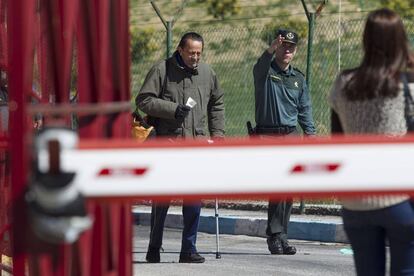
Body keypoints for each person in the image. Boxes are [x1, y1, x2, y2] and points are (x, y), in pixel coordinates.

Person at [329, 8, 414, 276]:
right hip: (401, 199)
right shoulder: (407, 85)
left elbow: (337, 141)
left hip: (355, 200)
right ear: (400, 41)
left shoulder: (343, 83)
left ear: (366, 39)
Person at [135, 32, 225, 263]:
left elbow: (217, 103)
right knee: (162, 199)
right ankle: (154, 247)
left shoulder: (207, 73)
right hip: (168, 144)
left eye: (199, 53)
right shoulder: (162, 70)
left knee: (194, 199)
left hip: (196, 145)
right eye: (191, 52)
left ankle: (188, 249)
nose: (195, 57)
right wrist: (172, 109)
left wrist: (218, 135)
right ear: (181, 50)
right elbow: (143, 100)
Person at [252, 29, 316, 255]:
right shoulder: (265, 72)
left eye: (291, 47)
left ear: (295, 50)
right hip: (268, 136)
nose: (287, 50)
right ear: (276, 47)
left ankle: (281, 235)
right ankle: (275, 235)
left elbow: (304, 109)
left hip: (290, 136)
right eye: (283, 45)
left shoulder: (298, 78)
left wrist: (310, 134)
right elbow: (260, 64)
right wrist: (269, 49)